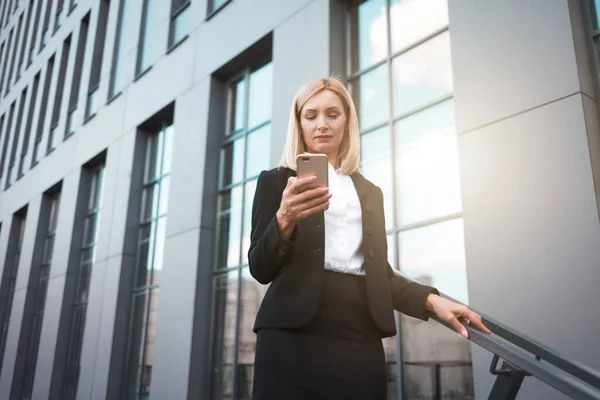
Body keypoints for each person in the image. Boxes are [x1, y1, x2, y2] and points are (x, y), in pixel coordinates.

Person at [248, 76, 491, 400]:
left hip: (358, 333)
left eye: (332, 114)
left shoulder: (369, 192)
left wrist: (432, 301)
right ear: (299, 123)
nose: (322, 124)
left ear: (347, 121)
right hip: (290, 336)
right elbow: (260, 267)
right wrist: (284, 219)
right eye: (311, 115)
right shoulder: (276, 182)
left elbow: (379, 275)